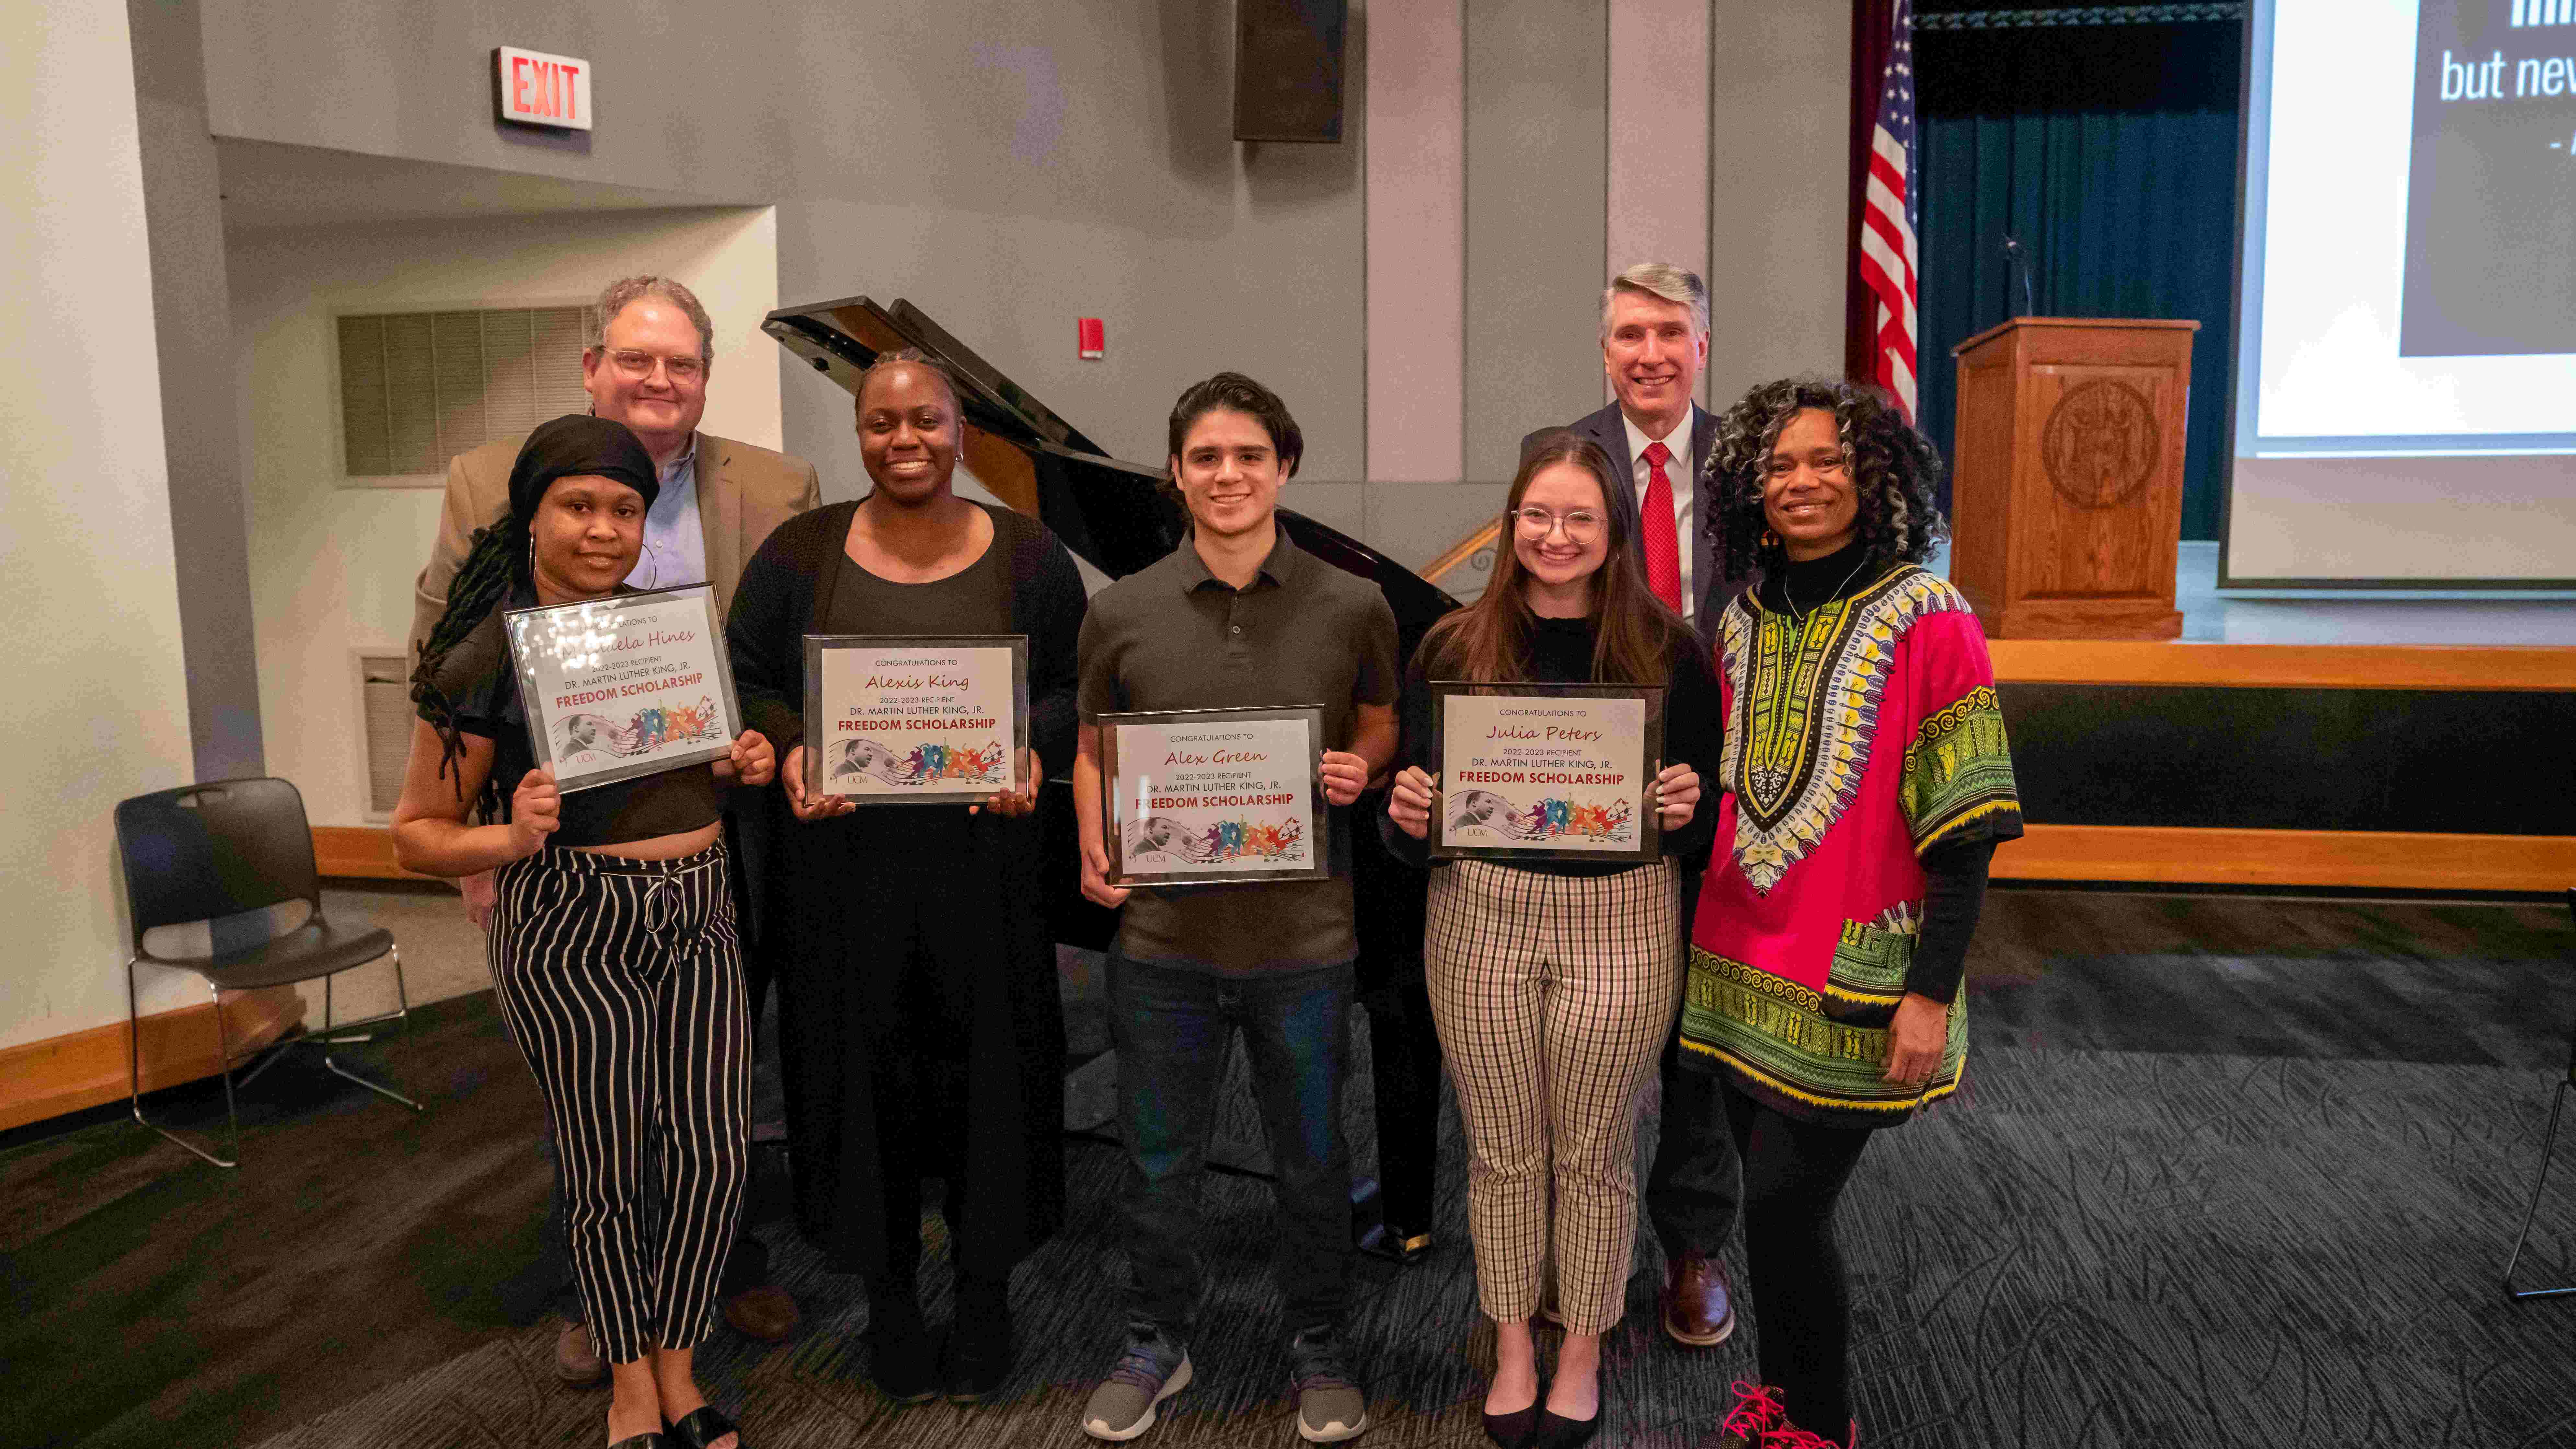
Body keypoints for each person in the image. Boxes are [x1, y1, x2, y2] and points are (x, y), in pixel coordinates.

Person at [411, 275, 819, 1373]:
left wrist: (755, 749)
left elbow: (770, 661)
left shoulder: (778, 485)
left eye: (680, 363)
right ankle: (605, 1306)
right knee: (597, 1109)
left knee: (713, 1096)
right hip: (566, 854)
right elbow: (450, 660)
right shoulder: (491, 483)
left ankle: (713, 1277)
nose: (658, 380)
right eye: (636, 359)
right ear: (593, 367)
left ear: (704, 377)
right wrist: (489, 845)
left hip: (717, 838)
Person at [724, 350, 1086, 1405]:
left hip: (990, 876)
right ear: (859, 432)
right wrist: (791, 745)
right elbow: (745, 675)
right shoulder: (799, 552)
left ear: (960, 427)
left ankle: (984, 1299)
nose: (905, 441)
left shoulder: (1029, 555)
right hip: (841, 881)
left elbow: (1072, 687)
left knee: (994, 1085)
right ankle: (888, 1300)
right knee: (854, 1089)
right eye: (883, 424)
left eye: (925, 420)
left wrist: (1031, 746)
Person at [1688, 380, 2022, 1449]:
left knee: (1790, 1211)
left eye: (1826, 460)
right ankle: (1782, 1404)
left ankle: (1820, 1426)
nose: (1802, 482)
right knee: (1771, 1217)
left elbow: (1966, 830)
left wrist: (1930, 992)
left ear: (1871, 474)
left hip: (1854, 982)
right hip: (1736, 965)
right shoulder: (1739, 619)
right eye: (1779, 465)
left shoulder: (1932, 616)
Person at [1072, 373, 1400, 1445]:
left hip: (1305, 942)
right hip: (1163, 943)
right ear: (1175, 472)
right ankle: (1154, 1339)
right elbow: (1091, 750)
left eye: (1249, 456)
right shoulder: (1118, 609)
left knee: (1311, 1162)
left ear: (1284, 467)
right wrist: (1092, 833)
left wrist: (1360, 762)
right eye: (1206, 456)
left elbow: (1382, 716)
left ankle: (1319, 1340)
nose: (1228, 475)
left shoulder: (1353, 601)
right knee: (1158, 1163)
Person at [1382, 431, 1716, 1449]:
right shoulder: (1449, 648)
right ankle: (1513, 1342)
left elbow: (1702, 821)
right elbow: (1417, 825)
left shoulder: (1670, 650)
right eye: (1537, 516)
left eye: (1579, 517)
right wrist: (1404, 817)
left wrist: (1685, 804)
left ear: (1614, 528)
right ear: (1510, 523)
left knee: (1596, 1151)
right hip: (1479, 914)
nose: (1555, 536)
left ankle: (1581, 1346)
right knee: (1501, 1151)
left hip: (1622, 921)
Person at [1524, 261, 1744, 1352]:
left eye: (1669, 331)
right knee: (1582, 1032)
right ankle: (1575, 1243)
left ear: (1703, 343)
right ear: (1603, 350)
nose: (1648, 353)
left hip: (1730, 775)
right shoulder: (1558, 455)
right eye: (1627, 334)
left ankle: (1693, 1245)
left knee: (1696, 1034)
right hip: (1586, 781)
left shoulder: (1749, 463)